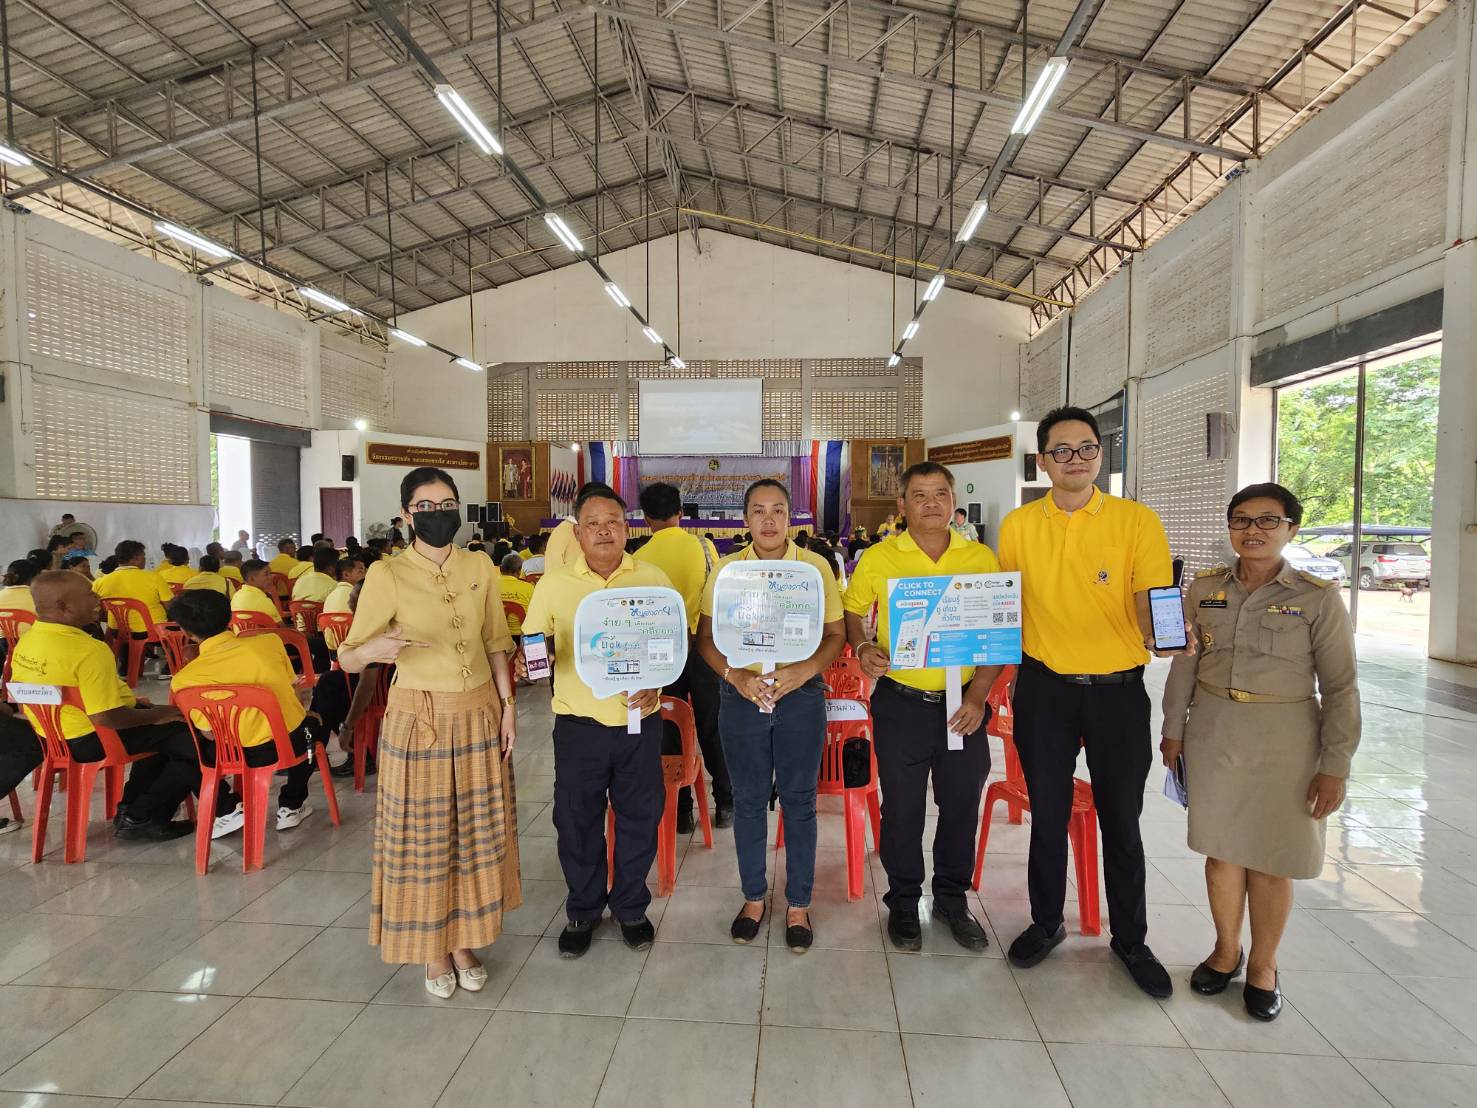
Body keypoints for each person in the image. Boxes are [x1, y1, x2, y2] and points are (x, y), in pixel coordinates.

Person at [997, 405, 1183, 998]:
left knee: (1121, 821)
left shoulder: (1136, 521)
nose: (1074, 460)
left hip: (1118, 695)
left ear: (1100, 456)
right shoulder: (1019, 526)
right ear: (1043, 460)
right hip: (1045, 690)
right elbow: (1002, 606)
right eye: (1061, 451)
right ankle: (1046, 922)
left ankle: (1131, 938)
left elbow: (1154, 598)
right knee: (1047, 815)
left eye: (1085, 449)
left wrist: (1168, 634)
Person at [1161, 483, 1359, 1021]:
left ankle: (1264, 965)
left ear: (1292, 528)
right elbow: (1184, 662)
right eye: (1241, 520)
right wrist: (1172, 729)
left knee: (1273, 861)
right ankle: (1226, 950)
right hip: (1215, 733)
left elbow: (1341, 687)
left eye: (1268, 521)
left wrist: (1334, 765)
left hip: (1288, 738)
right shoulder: (1203, 589)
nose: (1252, 531)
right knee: (1221, 852)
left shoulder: (1318, 596)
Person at [337, 467, 520, 998]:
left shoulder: (479, 565)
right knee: (427, 837)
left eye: (447, 503)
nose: (438, 514)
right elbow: (349, 655)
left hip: (481, 710)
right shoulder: (387, 574)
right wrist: (374, 650)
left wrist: (508, 707)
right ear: (405, 516)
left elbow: (495, 641)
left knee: (474, 835)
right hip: (419, 720)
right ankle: (431, 949)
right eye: (425, 506)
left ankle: (464, 939)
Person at [843, 462, 1001, 952]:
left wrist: (978, 698)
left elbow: (998, 635)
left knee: (959, 806)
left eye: (940, 494)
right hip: (902, 703)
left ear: (953, 502)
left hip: (963, 706)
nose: (930, 503)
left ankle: (953, 899)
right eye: (919, 495)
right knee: (903, 809)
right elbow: (852, 610)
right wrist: (862, 649)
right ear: (902, 505)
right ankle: (905, 901)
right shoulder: (880, 557)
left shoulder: (981, 559)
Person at [519, 483, 670, 959]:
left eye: (614, 522)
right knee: (577, 820)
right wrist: (531, 664)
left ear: (628, 528)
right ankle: (583, 908)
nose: (604, 531)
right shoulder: (555, 583)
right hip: (578, 725)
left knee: (639, 818)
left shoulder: (654, 579)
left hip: (638, 722)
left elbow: (672, 649)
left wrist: (658, 684)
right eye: (593, 524)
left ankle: (630, 906)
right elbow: (533, 643)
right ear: (578, 532)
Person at [698, 479, 844, 952]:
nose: (768, 520)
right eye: (758, 511)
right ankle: (754, 897)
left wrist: (804, 672)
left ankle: (798, 902)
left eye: (777, 510)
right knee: (747, 797)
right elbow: (706, 639)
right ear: (745, 519)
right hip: (742, 697)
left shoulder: (815, 568)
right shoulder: (725, 571)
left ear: (790, 518)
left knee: (799, 800)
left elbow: (835, 636)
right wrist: (736, 677)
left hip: (800, 697)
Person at [11, 571, 198, 840]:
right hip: (94, 737)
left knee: (164, 733)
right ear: (64, 606)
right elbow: (106, 717)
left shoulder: (28, 640)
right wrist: (156, 714)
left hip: (54, 737)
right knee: (190, 737)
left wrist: (139, 707)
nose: (98, 599)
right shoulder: (88, 650)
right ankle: (142, 815)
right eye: (90, 595)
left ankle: (131, 810)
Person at [168, 590, 319, 836]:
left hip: (232, 754)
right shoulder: (269, 643)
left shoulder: (184, 679)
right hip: (287, 744)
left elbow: (208, 734)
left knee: (183, 746)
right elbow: (293, 689)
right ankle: (292, 804)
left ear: (187, 632)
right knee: (313, 729)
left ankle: (226, 809)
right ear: (230, 618)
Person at [635, 481, 733, 832]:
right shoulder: (704, 547)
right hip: (703, 648)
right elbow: (717, 593)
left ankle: (682, 811)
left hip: (662, 654)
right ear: (680, 511)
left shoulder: (638, 558)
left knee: (670, 727)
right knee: (712, 724)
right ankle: (725, 801)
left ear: (645, 519)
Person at [93, 540, 172, 635]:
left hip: (116, 632)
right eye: (144, 556)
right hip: (151, 631)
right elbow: (170, 607)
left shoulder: (99, 582)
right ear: (136, 558)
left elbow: (94, 611)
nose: (144, 559)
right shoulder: (154, 577)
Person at [231, 559, 284, 624]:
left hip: (241, 634)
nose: (271, 577)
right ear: (251, 578)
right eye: (266, 574)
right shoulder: (263, 600)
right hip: (265, 634)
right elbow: (280, 627)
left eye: (270, 573)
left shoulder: (236, 596)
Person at [498, 554, 533, 637]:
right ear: (519, 571)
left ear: (500, 569)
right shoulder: (528, 587)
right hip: (521, 636)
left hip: (496, 636)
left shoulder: (490, 586)